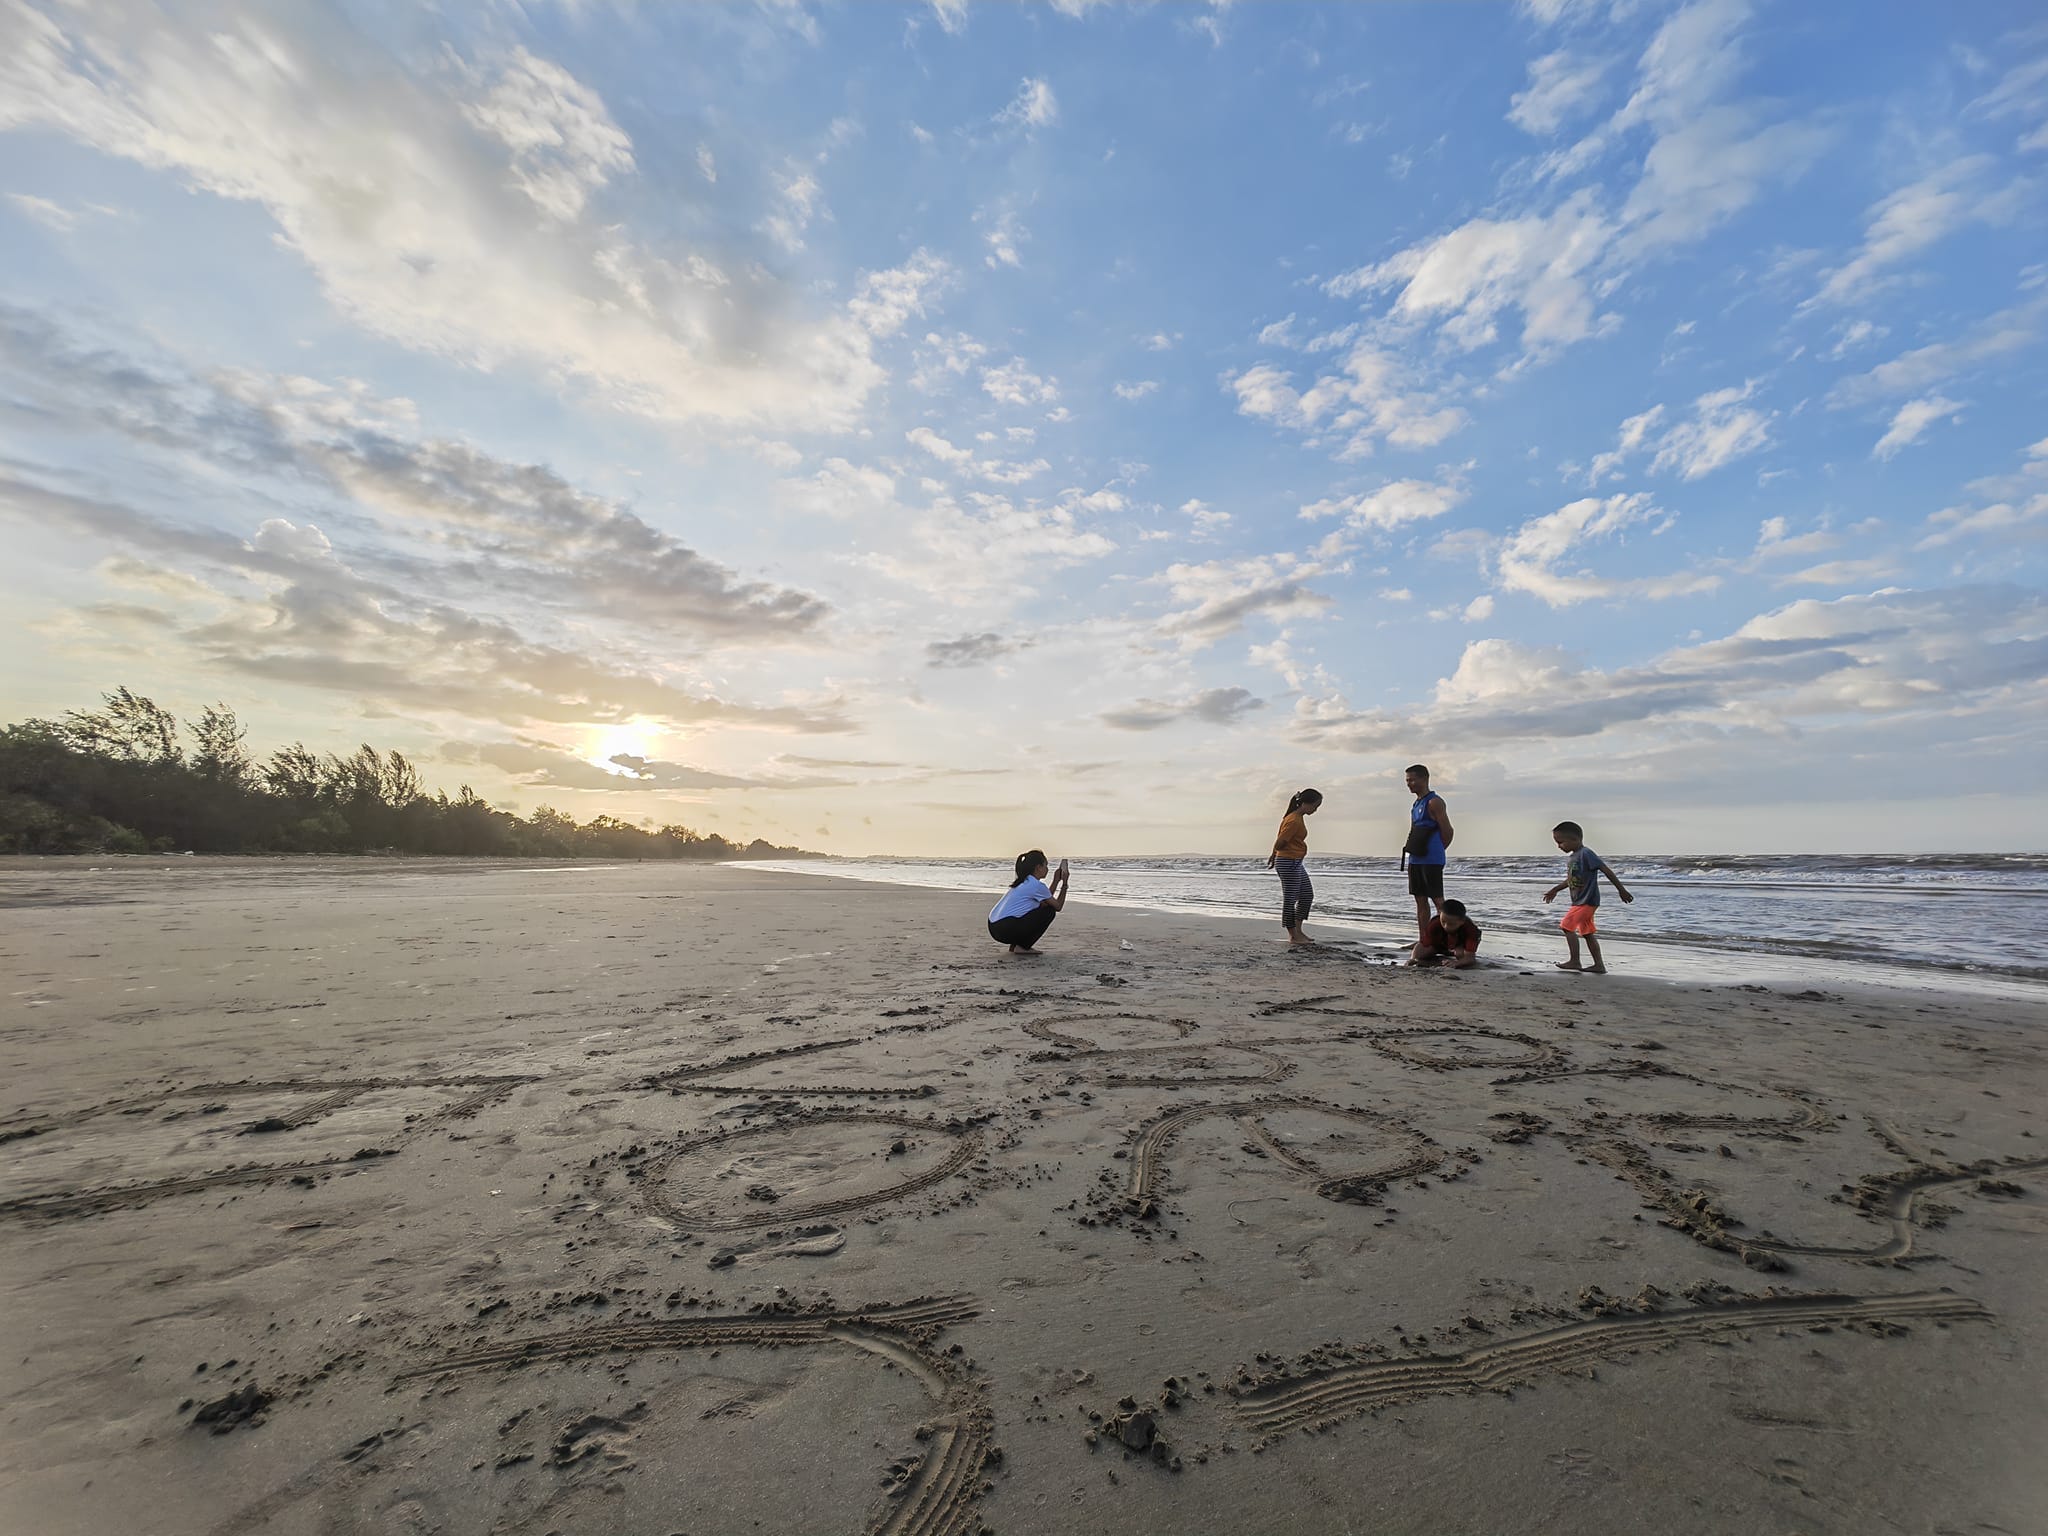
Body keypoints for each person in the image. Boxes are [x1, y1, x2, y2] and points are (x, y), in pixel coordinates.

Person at [1542, 820, 1632, 974]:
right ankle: (1599, 965)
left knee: (1566, 926)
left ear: (1575, 840)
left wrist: (1621, 890)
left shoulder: (1586, 854)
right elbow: (1571, 880)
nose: (1559, 846)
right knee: (1587, 933)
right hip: (1579, 901)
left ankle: (1575, 961)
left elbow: (1606, 870)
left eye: (1561, 842)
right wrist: (1555, 889)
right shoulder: (1573, 857)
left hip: (1587, 901)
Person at [1264, 789, 1323, 946]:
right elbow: (1280, 841)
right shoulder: (1293, 820)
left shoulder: (1297, 818)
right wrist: (1275, 854)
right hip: (1288, 862)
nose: (1315, 810)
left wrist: (1274, 854)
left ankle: (1298, 930)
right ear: (1305, 803)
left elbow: (1280, 840)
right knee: (1290, 899)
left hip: (1295, 861)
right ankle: (1293, 935)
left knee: (1306, 895)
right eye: (1315, 806)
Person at [1403, 764, 1452, 941]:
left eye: (1413, 780)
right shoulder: (1416, 804)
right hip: (1416, 859)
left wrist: (1437, 850)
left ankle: (1449, 940)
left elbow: (1447, 831)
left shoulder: (1435, 802)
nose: (1409, 784)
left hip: (1431, 859)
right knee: (1420, 900)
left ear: (1425, 779)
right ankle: (1424, 940)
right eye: (1407, 781)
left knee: (1439, 901)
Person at [988, 849, 1069, 955]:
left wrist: (1055, 881)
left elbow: (1046, 899)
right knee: (1049, 911)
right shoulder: (1036, 885)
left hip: (994, 926)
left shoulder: (1024, 881)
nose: (1047, 869)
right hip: (1004, 929)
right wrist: (1064, 884)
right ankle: (1023, 947)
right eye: (1046, 865)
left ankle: (1015, 946)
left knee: (1043, 907)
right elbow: (1058, 906)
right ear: (1038, 868)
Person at [1410, 897, 1481, 968]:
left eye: (1451, 924)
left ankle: (1454, 955)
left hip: (1460, 946)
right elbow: (1422, 944)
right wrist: (1413, 959)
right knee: (1419, 953)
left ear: (1462, 921)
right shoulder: (1434, 924)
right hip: (1439, 945)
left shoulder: (1470, 930)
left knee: (1460, 954)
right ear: (1440, 914)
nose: (1446, 926)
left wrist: (1457, 963)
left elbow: (1470, 958)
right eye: (1443, 921)